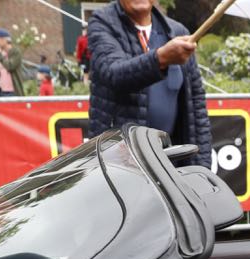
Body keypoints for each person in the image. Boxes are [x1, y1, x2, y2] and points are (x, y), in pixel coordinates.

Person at [86, 0, 210, 167]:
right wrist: (161, 58)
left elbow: (196, 105)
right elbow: (114, 73)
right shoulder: (102, 23)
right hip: (121, 162)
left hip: (170, 160)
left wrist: (202, 164)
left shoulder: (177, 32)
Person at [0, 27, 24, 96]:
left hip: (12, 92)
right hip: (1, 91)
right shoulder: (0, 54)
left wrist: (0, 54)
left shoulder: (15, 52)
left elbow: (10, 66)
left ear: (4, 40)